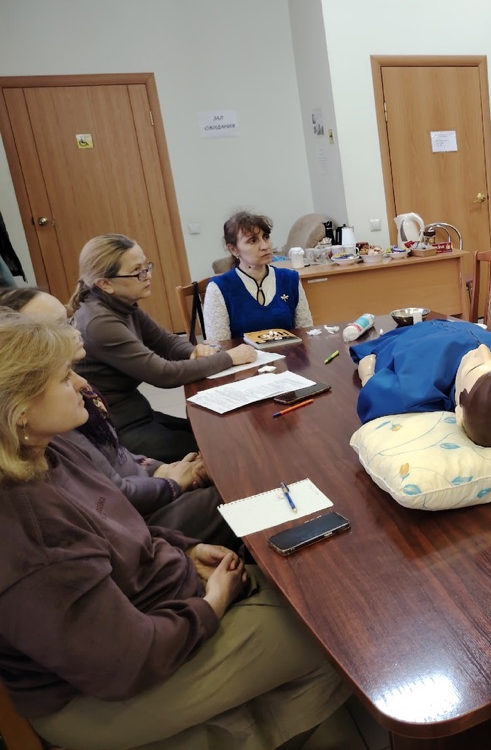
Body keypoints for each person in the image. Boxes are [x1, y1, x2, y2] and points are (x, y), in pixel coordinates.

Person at [0, 313, 353, 750]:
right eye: (63, 377)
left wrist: (187, 551)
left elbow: (126, 528)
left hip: (158, 612)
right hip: (106, 687)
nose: (81, 384)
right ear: (18, 410)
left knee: (312, 592)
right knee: (337, 629)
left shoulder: (47, 451)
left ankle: (238, 714)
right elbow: (125, 660)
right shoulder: (28, 528)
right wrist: (213, 605)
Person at [0, 287, 237, 548]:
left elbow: (119, 456)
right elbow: (118, 513)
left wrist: (161, 470)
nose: (75, 329)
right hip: (140, 520)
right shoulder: (54, 432)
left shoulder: (60, 415)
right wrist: (172, 482)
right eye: (57, 326)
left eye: (69, 320)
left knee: (228, 466)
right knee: (240, 485)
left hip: (142, 505)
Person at [72, 234, 257, 463]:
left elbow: (165, 341)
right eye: (137, 271)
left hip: (136, 413)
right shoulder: (100, 322)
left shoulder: (119, 304)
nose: (147, 275)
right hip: (119, 429)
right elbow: (164, 374)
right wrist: (229, 357)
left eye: (146, 267)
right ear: (105, 284)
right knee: (223, 448)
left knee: (221, 432)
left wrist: (193, 352)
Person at [350, 318, 491, 450]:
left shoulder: (415, 391)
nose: (483, 351)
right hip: (461, 325)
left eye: (476, 366)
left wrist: (367, 373)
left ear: (459, 410)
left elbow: (373, 394)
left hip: (416, 333)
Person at [203, 210, 313, 342]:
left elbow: (306, 334)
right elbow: (220, 346)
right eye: (253, 241)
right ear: (233, 249)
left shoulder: (290, 279)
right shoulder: (219, 288)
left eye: (266, 237)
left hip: (291, 353)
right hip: (246, 355)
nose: (265, 246)